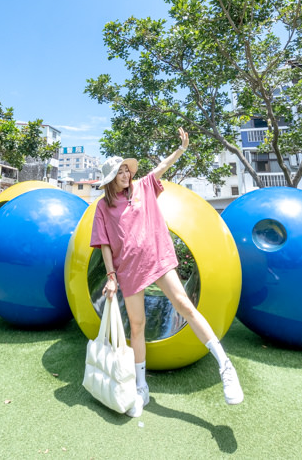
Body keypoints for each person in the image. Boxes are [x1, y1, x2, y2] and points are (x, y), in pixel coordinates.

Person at [93, 128, 244, 418]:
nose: (126, 175)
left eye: (127, 170)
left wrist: (181, 149)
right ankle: (141, 386)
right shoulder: (103, 207)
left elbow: (161, 168)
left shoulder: (144, 187)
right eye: (120, 172)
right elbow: (105, 245)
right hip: (129, 272)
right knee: (136, 326)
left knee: (185, 305)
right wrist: (111, 277)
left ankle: (225, 365)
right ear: (110, 179)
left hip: (158, 260)